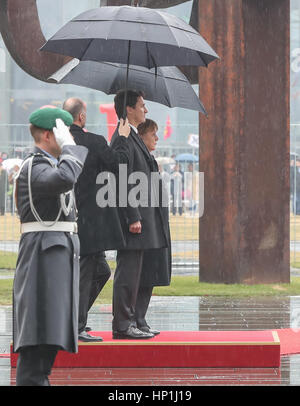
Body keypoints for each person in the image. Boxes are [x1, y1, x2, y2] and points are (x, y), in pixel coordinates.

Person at [13, 107, 88, 386]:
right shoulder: (35, 167)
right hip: (43, 263)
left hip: (53, 261)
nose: (69, 138)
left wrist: (68, 149)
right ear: (48, 135)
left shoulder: (50, 164)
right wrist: (69, 148)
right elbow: (66, 178)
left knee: (47, 344)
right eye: (63, 133)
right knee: (37, 345)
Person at [63, 97, 131, 342]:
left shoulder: (61, 143)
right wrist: (121, 137)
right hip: (91, 221)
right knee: (86, 274)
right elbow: (119, 163)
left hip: (69, 217)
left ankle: (74, 319)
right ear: (81, 117)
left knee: (100, 271)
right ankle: (76, 326)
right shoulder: (93, 141)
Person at [110, 90, 168, 339]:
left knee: (142, 271)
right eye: (142, 105)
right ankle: (123, 325)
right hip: (135, 218)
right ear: (129, 109)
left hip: (147, 217)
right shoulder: (122, 138)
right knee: (128, 272)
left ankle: (135, 320)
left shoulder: (133, 137)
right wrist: (132, 215)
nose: (146, 110)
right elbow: (123, 179)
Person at [135, 118, 172, 333]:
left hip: (157, 223)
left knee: (151, 273)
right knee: (143, 273)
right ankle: (137, 319)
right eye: (152, 133)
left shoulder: (151, 160)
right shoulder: (141, 159)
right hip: (146, 224)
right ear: (141, 136)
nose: (156, 138)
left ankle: (141, 318)